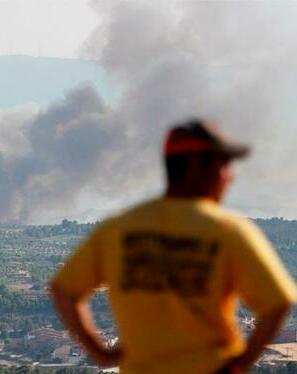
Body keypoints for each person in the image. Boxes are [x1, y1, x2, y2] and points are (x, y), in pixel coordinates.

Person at [49, 119, 297, 374]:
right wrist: (240, 364)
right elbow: (277, 303)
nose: (229, 176)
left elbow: (63, 290)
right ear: (194, 166)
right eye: (222, 164)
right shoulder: (228, 231)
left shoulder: (118, 229)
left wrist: (100, 353)